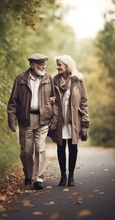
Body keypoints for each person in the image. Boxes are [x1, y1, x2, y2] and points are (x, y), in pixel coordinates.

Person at [7, 53, 58, 190]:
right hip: (26, 120)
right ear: (32, 65)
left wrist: (54, 118)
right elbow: (13, 102)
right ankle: (28, 175)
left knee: (40, 149)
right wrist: (12, 120)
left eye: (44, 63)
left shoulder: (49, 79)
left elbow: (55, 102)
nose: (43, 66)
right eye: (40, 64)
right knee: (26, 152)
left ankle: (38, 179)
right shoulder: (21, 79)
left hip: (43, 120)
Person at [50, 55, 90, 187]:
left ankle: (71, 176)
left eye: (60, 64)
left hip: (74, 120)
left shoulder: (78, 80)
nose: (57, 67)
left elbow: (84, 101)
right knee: (60, 147)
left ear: (67, 66)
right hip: (59, 119)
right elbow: (50, 98)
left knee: (73, 148)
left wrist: (85, 123)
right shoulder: (54, 80)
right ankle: (63, 176)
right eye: (57, 64)